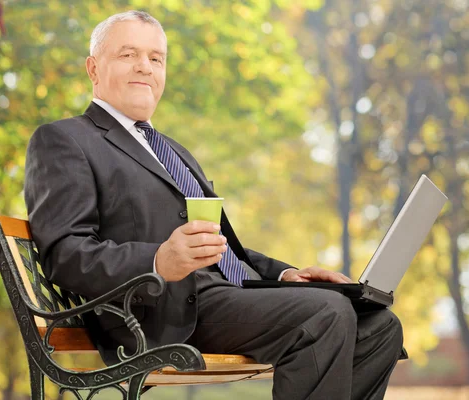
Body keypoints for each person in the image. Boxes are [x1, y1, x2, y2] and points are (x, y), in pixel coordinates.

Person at [24, 10, 403, 400]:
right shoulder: (65, 140)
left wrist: (286, 275)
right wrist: (158, 261)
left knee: (378, 324)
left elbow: (219, 246)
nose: (145, 67)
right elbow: (65, 255)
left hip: (225, 297)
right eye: (128, 55)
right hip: (155, 312)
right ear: (93, 68)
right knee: (325, 314)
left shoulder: (172, 151)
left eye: (156, 58)